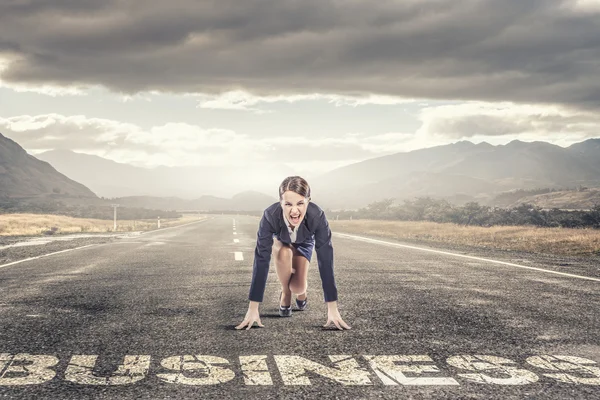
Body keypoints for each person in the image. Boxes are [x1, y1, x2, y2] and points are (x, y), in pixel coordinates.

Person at [235, 176, 351, 331]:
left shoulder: (317, 215)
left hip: (304, 243)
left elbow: (326, 258)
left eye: (300, 203)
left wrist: (332, 309)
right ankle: (285, 293)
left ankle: (301, 293)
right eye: (288, 204)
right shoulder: (270, 215)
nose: (294, 210)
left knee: (298, 287)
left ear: (308, 201)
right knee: (284, 253)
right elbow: (261, 258)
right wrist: (253, 308)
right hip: (282, 242)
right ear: (280, 202)